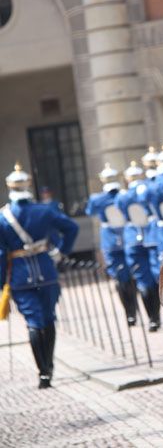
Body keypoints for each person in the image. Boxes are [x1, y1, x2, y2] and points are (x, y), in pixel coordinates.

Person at [0, 163, 78, 388]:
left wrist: (1, 281)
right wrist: (61, 251)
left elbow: (1, 252)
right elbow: (71, 227)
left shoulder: (3, 217)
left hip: (20, 276)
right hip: (47, 271)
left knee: (34, 322)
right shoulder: (44, 210)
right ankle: (50, 365)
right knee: (48, 317)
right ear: (28, 186)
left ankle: (43, 372)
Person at [85, 163, 137, 326]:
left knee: (119, 276)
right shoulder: (125, 195)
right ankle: (137, 308)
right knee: (134, 275)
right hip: (127, 236)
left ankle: (130, 313)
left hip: (110, 240)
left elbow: (90, 211)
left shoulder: (97, 199)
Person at [115, 161, 161, 332]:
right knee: (157, 276)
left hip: (133, 237)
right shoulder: (147, 189)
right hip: (150, 235)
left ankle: (153, 320)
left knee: (143, 279)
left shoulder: (123, 196)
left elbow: (120, 210)